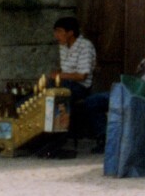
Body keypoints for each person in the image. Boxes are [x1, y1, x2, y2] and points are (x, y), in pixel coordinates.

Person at [34, 17, 100, 159]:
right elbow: (64, 71)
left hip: (81, 87)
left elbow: (82, 75)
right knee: (44, 89)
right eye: (55, 32)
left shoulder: (85, 46)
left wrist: (60, 75)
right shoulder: (63, 46)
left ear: (70, 33)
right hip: (67, 83)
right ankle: (41, 136)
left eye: (59, 32)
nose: (56, 35)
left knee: (55, 94)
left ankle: (57, 140)